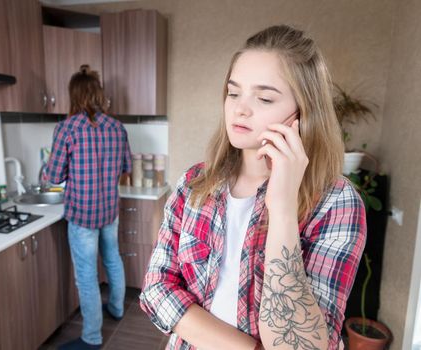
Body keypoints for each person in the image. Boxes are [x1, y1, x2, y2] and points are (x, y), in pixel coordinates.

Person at [139, 25, 366, 350]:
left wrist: (284, 209)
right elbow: (156, 289)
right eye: (234, 92)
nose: (240, 108)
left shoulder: (337, 202)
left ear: (303, 112)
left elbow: (301, 346)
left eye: (264, 97)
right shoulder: (194, 184)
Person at [45, 64, 132, 350]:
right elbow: (126, 168)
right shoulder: (117, 127)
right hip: (109, 209)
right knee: (112, 258)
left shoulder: (66, 128)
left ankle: (92, 338)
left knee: (86, 275)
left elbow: (54, 176)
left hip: (82, 214)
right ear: (98, 94)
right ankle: (117, 309)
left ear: (74, 96)